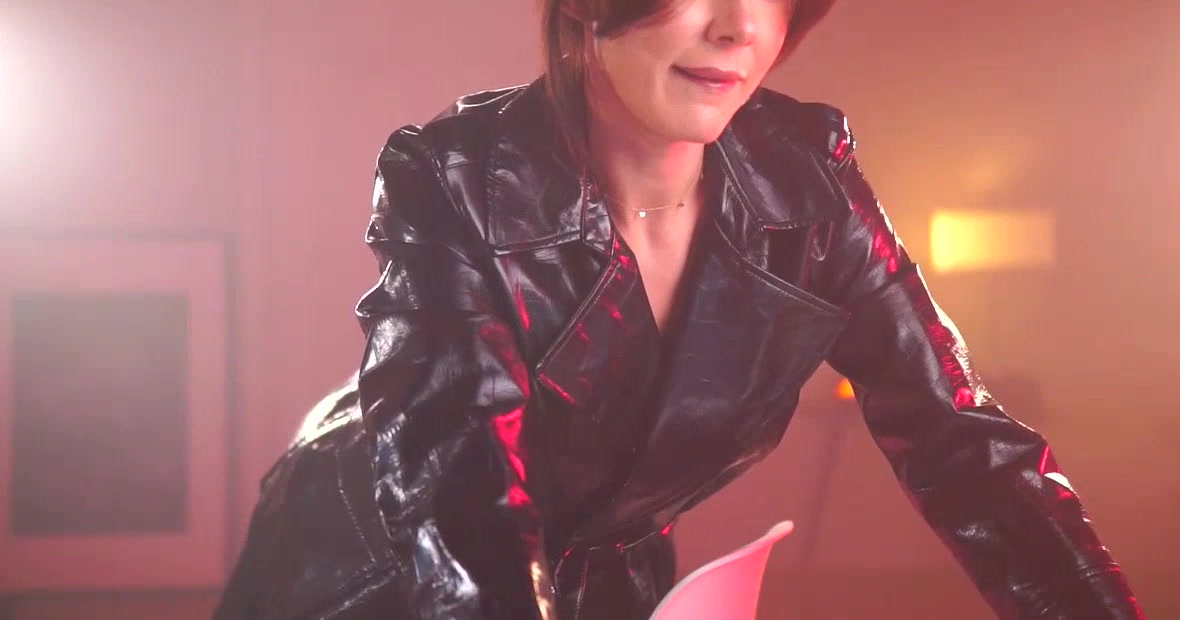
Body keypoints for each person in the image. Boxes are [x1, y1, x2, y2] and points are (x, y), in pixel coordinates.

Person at [215, 1, 1144, 618]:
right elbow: (464, 489)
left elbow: (967, 446)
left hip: (608, 587)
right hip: (383, 572)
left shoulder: (809, 183)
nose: (740, 26)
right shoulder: (452, 174)